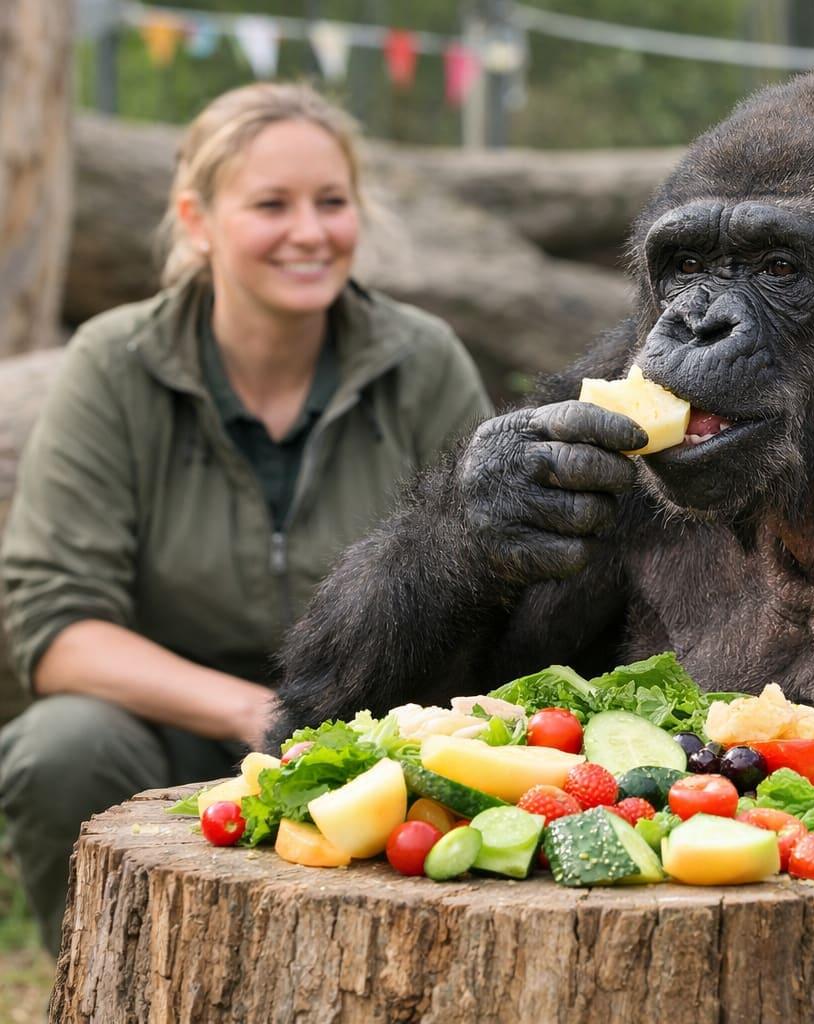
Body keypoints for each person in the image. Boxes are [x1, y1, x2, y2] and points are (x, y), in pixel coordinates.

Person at [0, 82, 492, 954]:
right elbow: (59, 628)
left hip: (378, 738)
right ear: (197, 219)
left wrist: (364, 730)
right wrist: (257, 712)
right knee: (60, 744)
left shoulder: (422, 361)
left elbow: (489, 574)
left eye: (331, 202)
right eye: (272, 204)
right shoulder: (113, 365)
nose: (310, 232)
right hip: (177, 738)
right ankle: (101, 977)